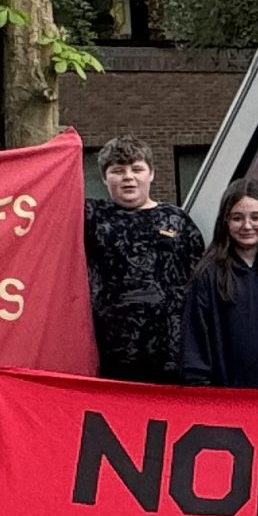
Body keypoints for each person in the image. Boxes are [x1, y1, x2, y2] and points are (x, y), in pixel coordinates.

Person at [82, 137, 201, 383]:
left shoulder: (177, 220)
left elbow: (203, 276)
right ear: (104, 178)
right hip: (113, 351)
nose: (128, 176)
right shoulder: (91, 217)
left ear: (152, 174)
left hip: (172, 350)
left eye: (137, 169)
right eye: (117, 170)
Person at [178, 180, 258, 390]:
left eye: (256, 217)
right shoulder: (207, 275)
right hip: (228, 399)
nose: (247, 226)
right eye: (237, 218)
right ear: (225, 221)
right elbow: (194, 342)